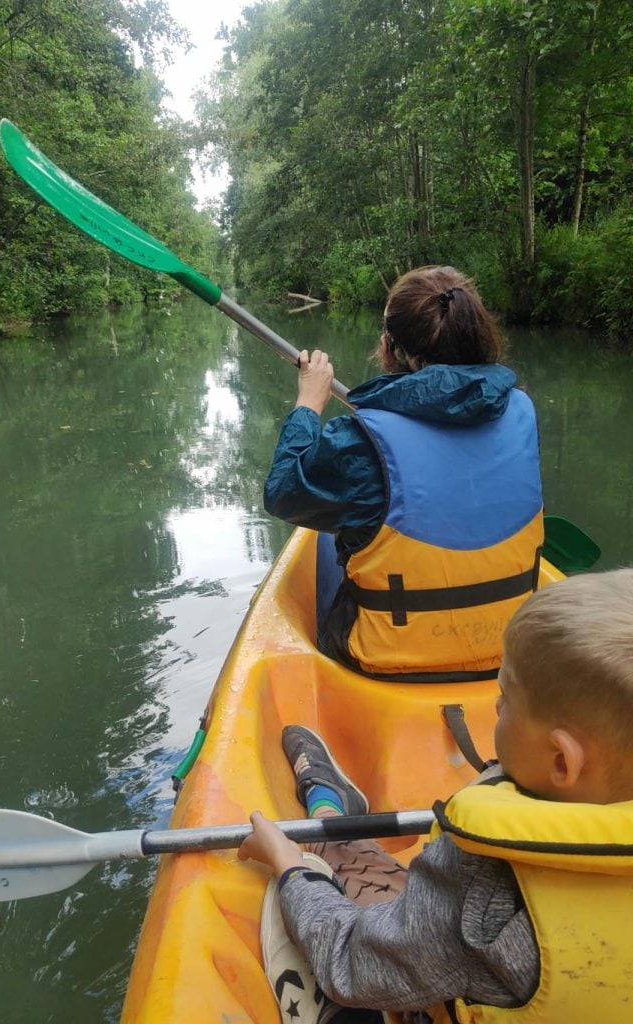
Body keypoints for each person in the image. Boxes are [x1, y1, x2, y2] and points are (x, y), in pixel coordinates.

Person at [239, 567, 633, 1023]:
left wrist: (288, 867)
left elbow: (350, 963)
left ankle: (328, 812)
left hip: (410, 968)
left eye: (505, 695)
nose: (498, 706)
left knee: (332, 866)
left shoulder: (480, 886)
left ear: (562, 761)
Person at [264, 266, 544, 682]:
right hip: (512, 652)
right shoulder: (522, 408)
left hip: (391, 661)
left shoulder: (358, 439)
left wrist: (308, 404)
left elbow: (284, 492)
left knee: (321, 531)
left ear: (390, 348)